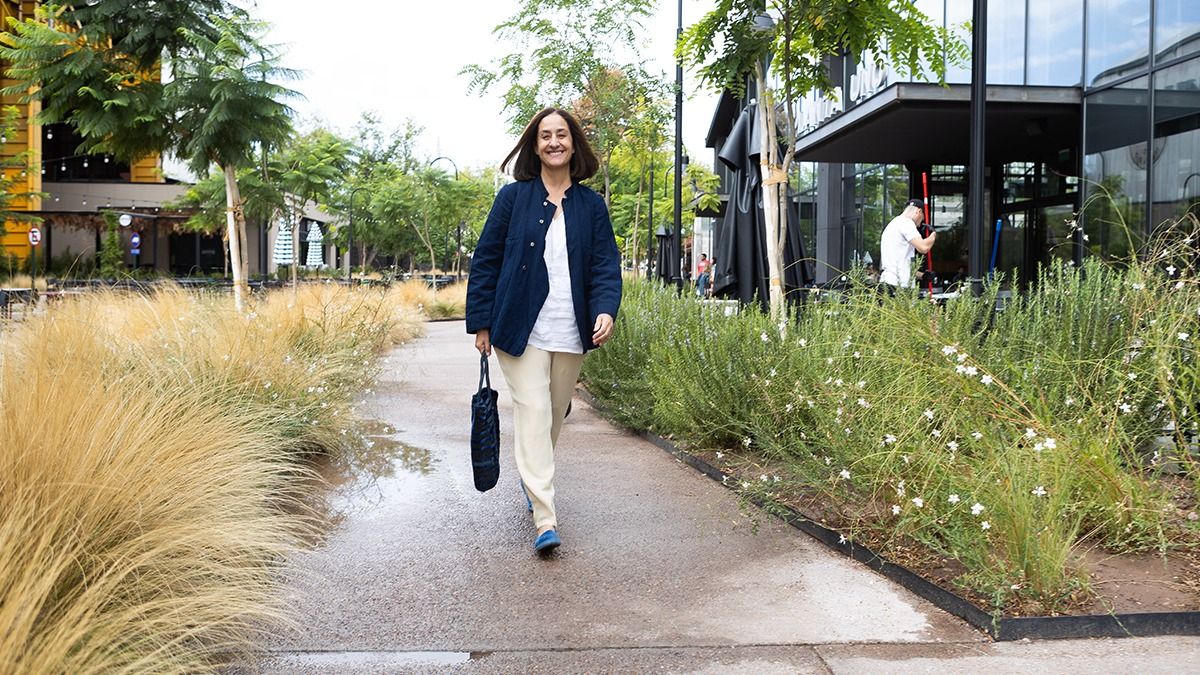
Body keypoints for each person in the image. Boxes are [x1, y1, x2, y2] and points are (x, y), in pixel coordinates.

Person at [465, 107, 622, 555]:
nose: (554, 142)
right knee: (532, 409)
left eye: (562, 135)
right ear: (535, 146)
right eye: (545, 136)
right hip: (519, 327)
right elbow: (486, 260)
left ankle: (533, 476)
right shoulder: (513, 199)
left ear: (574, 144)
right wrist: (480, 322)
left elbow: (605, 265)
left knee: (552, 414)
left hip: (571, 329)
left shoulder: (591, 205)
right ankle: (544, 517)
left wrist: (606, 309)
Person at [879, 198, 937, 290]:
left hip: (889, 282)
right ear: (919, 211)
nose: (919, 224)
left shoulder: (893, 224)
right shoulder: (906, 223)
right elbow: (923, 247)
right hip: (899, 286)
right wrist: (933, 234)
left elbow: (900, 266)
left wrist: (923, 276)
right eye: (922, 218)